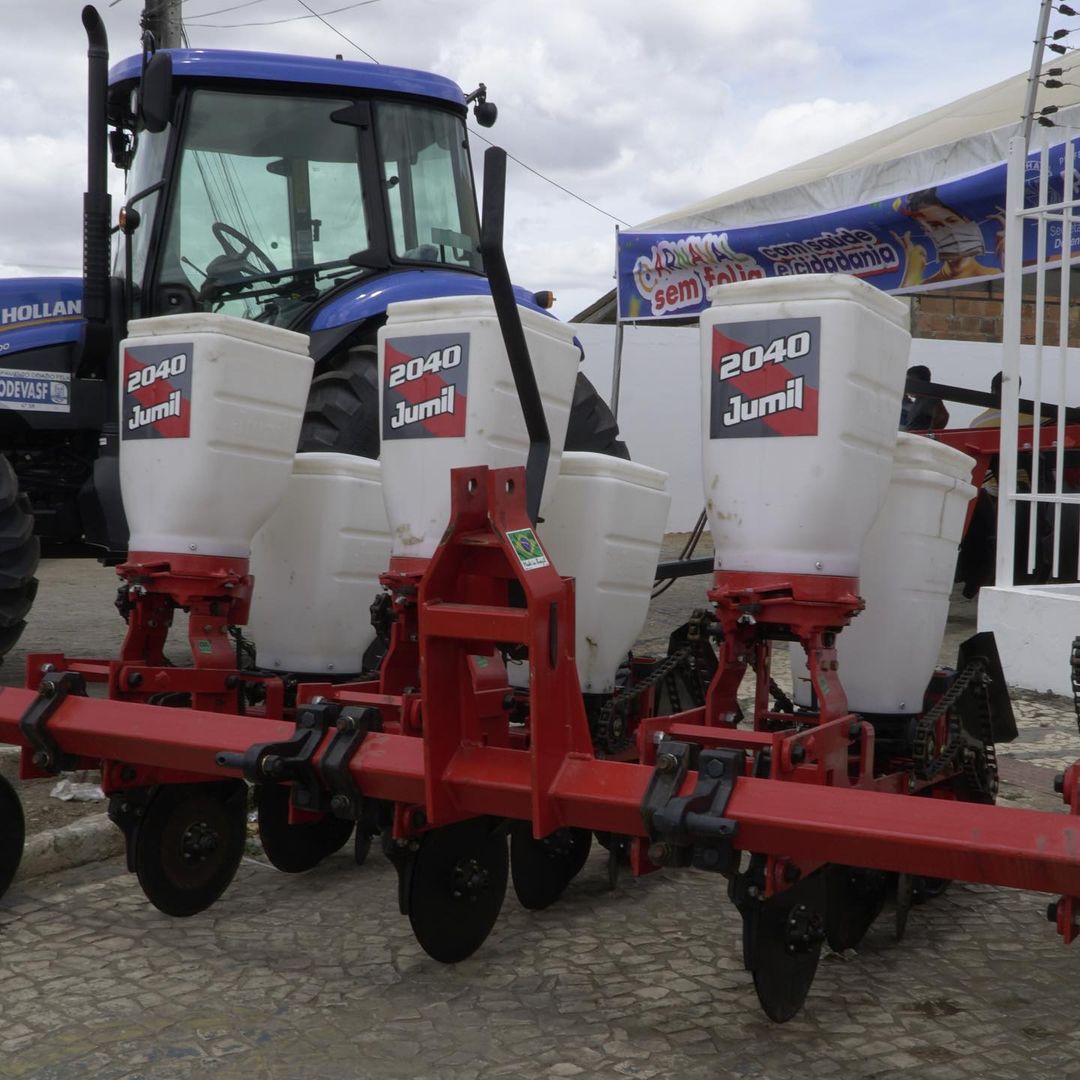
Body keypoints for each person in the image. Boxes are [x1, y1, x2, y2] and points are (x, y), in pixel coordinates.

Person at [892, 188, 1004, 288]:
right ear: (928, 234)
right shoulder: (924, 287)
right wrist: (911, 276)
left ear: (966, 221)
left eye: (952, 221)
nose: (950, 230)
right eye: (936, 226)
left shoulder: (1000, 273)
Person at [899, 364, 949, 430]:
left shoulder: (929, 398)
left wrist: (929, 433)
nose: (908, 385)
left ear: (921, 383)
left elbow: (943, 416)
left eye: (911, 382)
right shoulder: (919, 400)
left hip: (917, 435)